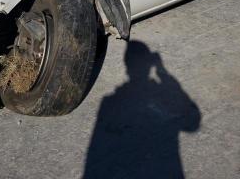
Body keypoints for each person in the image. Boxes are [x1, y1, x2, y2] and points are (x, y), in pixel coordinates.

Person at [83, 40, 200, 179]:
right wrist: (162, 71)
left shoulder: (107, 102)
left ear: (126, 65)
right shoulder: (111, 102)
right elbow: (192, 124)